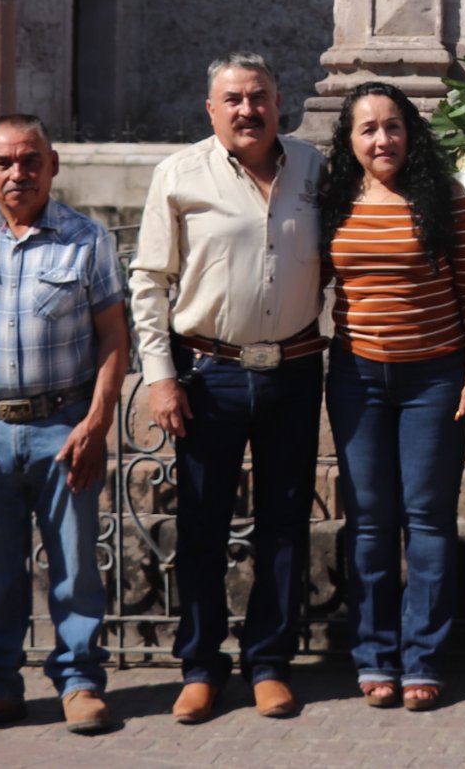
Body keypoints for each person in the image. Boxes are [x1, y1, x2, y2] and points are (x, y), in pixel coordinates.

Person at [130, 53, 326, 724]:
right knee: (204, 525)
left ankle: (269, 661)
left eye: (259, 96)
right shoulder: (179, 174)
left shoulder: (314, 169)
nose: (248, 109)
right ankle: (201, 665)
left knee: (284, 522)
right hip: (208, 372)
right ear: (210, 109)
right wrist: (159, 376)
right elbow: (150, 281)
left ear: (280, 101)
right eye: (233, 99)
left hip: (295, 369)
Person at [0, 114, 129, 738]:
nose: (19, 173)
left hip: (64, 427)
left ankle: (81, 681)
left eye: (30, 160)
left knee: (74, 567)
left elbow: (114, 336)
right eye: (4, 163)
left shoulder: (87, 240)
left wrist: (96, 421)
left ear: (53, 164)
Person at [318, 83, 465, 712]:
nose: (382, 140)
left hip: (434, 380)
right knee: (369, 522)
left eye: (392, 127)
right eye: (367, 129)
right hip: (357, 377)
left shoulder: (445, 201)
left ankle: (422, 656)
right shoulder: (333, 201)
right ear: (349, 140)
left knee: (426, 520)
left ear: (411, 133)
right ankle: (374, 656)